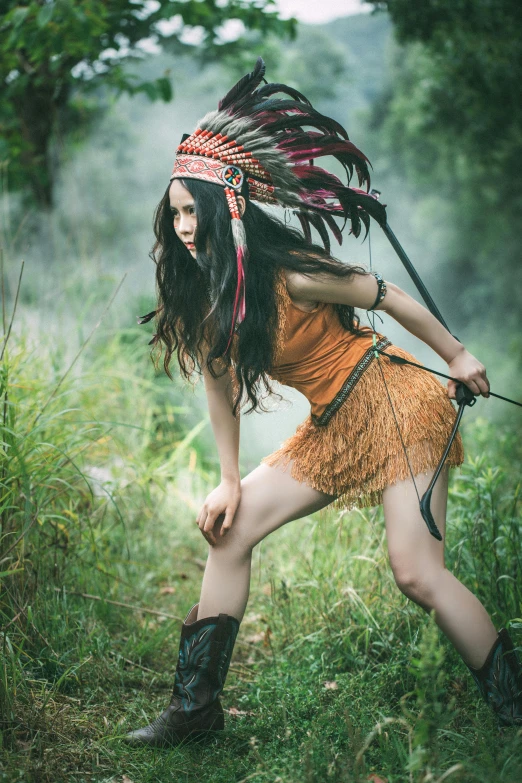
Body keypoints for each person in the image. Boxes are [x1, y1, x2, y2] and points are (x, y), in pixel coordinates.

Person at [126, 58, 522, 746]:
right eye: (177, 212)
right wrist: (226, 479)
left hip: (397, 401)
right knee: (231, 526)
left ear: (228, 206)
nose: (185, 225)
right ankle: (195, 713)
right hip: (333, 422)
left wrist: (457, 356)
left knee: (416, 574)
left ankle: (515, 708)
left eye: (195, 210)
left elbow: (385, 294)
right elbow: (218, 390)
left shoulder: (292, 272)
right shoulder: (206, 295)